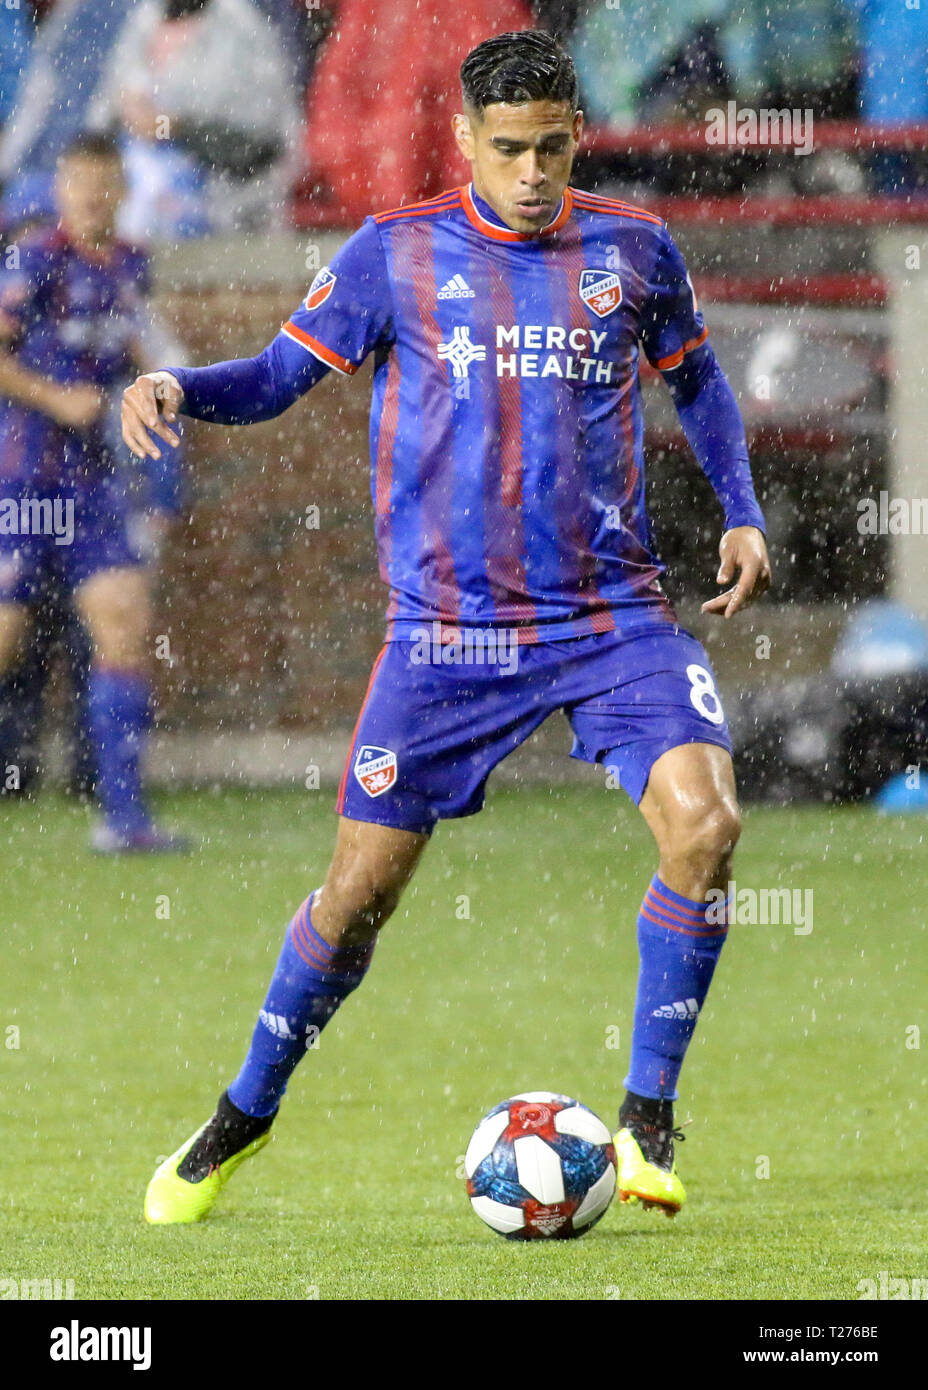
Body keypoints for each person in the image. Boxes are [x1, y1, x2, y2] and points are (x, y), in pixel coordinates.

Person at [123, 31, 771, 1226]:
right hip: (446, 637)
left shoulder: (634, 250)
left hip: (611, 616)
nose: (534, 171)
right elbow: (276, 374)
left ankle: (647, 1118)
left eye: (555, 147)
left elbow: (699, 380)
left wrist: (740, 510)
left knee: (706, 825)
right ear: (465, 141)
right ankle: (243, 1113)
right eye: (511, 148)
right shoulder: (395, 256)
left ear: (576, 136)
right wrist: (181, 387)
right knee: (356, 896)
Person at [0, 132, 186, 851]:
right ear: (60, 189)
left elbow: (138, 346)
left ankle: (124, 819)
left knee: (124, 622)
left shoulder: (132, 264)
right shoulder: (33, 260)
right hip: (22, 480)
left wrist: (161, 389)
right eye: (79, 184)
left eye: (104, 185)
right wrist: (54, 397)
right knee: (8, 640)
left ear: (120, 191)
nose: (92, 197)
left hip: (94, 486)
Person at [88, 0, 300, 239]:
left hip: (226, 220)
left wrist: (178, 127)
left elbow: (261, 147)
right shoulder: (144, 20)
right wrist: (128, 113)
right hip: (136, 222)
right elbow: (101, 120)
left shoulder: (241, 28)